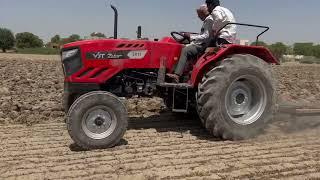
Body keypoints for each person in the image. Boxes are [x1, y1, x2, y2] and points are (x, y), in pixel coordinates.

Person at [166, 4, 214, 83]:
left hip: (202, 46)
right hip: (201, 43)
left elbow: (206, 36)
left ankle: (177, 75)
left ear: (203, 13)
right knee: (183, 47)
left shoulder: (209, 20)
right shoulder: (207, 20)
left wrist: (191, 37)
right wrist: (189, 36)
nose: (198, 17)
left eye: (199, 15)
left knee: (186, 50)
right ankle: (181, 71)